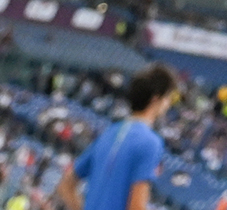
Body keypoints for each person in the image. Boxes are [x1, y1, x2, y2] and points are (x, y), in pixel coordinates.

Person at [59, 67, 179, 210]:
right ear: (155, 99)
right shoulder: (150, 142)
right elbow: (136, 206)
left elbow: (66, 184)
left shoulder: (109, 133)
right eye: (168, 98)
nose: (168, 104)